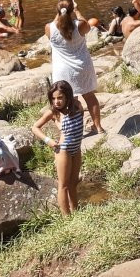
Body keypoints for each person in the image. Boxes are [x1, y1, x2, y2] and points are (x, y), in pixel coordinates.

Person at [45, 0, 104, 135]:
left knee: (69, 101)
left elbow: (56, 22)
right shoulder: (80, 25)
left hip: (62, 70)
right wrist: (77, 10)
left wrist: (60, 8)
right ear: (72, 9)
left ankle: (72, 131)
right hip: (82, 66)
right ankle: (98, 127)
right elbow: (87, 25)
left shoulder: (49, 28)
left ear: (58, 11)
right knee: (90, 97)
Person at [33, 80, 84, 215]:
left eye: (60, 97)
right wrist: (48, 140)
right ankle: (66, 218)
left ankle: (76, 212)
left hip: (76, 149)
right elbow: (35, 127)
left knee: (73, 182)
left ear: (68, 96)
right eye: (53, 98)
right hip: (63, 150)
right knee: (64, 185)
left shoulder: (78, 106)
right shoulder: (54, 113)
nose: (57, 101)